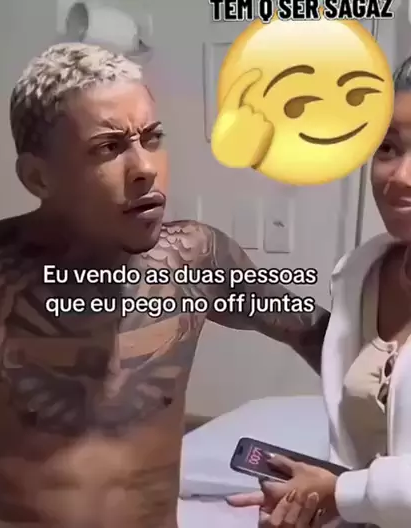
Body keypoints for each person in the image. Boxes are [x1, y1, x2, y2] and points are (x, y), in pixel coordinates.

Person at [0, 43, 330, 528]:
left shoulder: (195, 258)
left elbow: (323, 335)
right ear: (38, 178)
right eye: (108, 148)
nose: (145, 168)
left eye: (152, 138)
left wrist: (369, 471)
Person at [227, 56, 411, 528]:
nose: (400, 177)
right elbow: (366, 457)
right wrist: (322, 507)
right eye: (388, 148)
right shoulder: (361, 277)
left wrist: (341, 494)